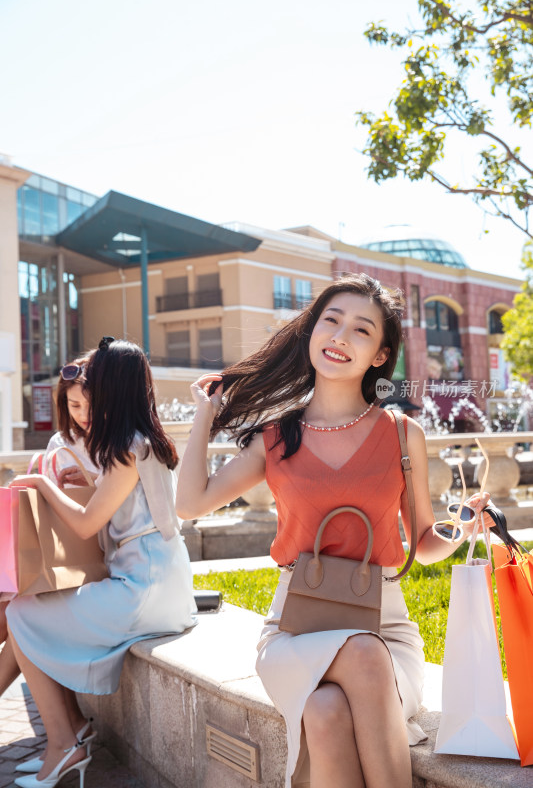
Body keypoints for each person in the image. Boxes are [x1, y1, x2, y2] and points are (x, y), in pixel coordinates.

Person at [176, 274, 491, 788]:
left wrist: (463, 525)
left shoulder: (401, 433)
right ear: (312, 332)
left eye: (361, 330)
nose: (341, 337)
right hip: (295, 628)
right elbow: (190, 503)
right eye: (332, 321)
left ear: (380, 356)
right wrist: (203, 416)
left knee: (327, 707)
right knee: (347, 673)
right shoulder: (277, 437)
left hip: (385, 625)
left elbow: (425, 546)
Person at [7, 338, 197, 788]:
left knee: (20, 613)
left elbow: (88, 525)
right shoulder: (144, 439)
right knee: (29, 611)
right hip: (159, 582)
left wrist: (42, 482)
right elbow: (133, 502)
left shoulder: (126, 446)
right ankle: (71, 732)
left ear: (115, 385)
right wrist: (91, 480)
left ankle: (63, 745)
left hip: (140, 590)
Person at [0, 355, 96, 700]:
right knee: (6, 604)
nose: (83, 414)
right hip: (56, 554)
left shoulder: (119, 446)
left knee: (18, 613)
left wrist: (93, 482)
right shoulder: (60, 445)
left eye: (90, 405)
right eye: (74, 405)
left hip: (92, 560)